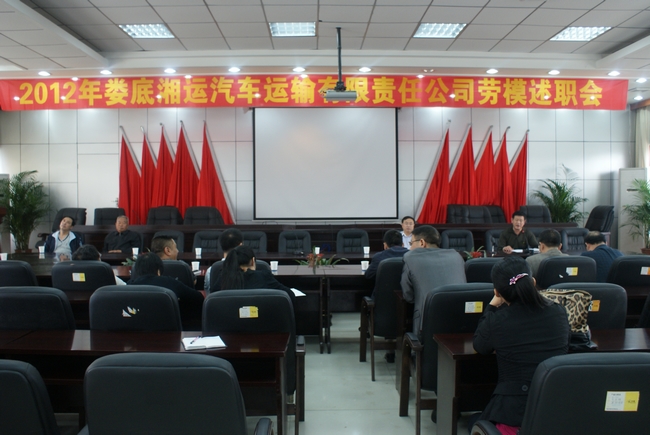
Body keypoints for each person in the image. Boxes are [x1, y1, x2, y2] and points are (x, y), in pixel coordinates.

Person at [471, 256, 570, 434]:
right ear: (533, 282)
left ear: (497, 292)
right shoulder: (558, 312)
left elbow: (480, 345)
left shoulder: (498, 320)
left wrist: (491, 307)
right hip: (555, 408)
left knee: (474, 422)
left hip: (515, 414)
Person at [401, 225, 466, 334]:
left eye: (411, 243)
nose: (410, 248)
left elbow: (408, 295)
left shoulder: (410, 257)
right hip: (460, 321)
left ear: (422, 243)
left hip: (427, 324)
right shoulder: (456, 256)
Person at [128, 252, 204, 330]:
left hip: (137, 332)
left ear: (137, 270)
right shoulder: (170, 282)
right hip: (170, 332)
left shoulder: (129, 287)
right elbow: (199, 298)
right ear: (158, 270)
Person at [213, 244, 296, 305]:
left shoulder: (223, 278)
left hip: (229, 323)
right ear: (253, 261)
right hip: (261, 322)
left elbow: (212, 301)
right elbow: (289, 296)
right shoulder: (264, 277)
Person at [205, 228, 244, 293]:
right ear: (240, 245)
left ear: (221, 244)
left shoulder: (210, 271)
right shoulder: (251, 268)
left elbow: (209, 295)